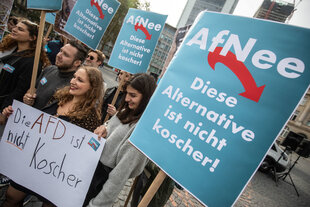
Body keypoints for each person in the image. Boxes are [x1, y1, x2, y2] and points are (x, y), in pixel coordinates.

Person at [0, 66, 104, 207]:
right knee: (11, 197)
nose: (73, 81)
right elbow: (36, 122)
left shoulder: (91, 117)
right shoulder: (60, 97)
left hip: (55, 174)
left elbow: (87, 151)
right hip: (32, 163)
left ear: (92, 87)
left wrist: (100, 134)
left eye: (80, 80)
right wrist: (14, 114)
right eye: (74, 77)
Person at [84, 73, 156, 207]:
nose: (127, 98)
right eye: (127, 93)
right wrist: (104, 128)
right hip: (90, 170)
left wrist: (96, 205)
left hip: (100, 180)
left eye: (133, 95)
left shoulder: (142, 131)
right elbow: (112, 126)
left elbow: (118, 178)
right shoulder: (126, 110)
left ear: (146, 98)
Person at [0, 19, 50, 123]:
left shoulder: (32, 62)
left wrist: (3, 111)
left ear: (32, 38)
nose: (14, 30)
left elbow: (20, 90)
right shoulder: (10, 50)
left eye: (20, 29)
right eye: (15, 27)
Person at [23, 40, 88, 110]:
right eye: (61, 51)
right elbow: (33, 89)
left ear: (77, 63)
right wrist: (28, 97)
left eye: (66, 55)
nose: (59, 55)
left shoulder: (74, 85)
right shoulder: (49, 69)